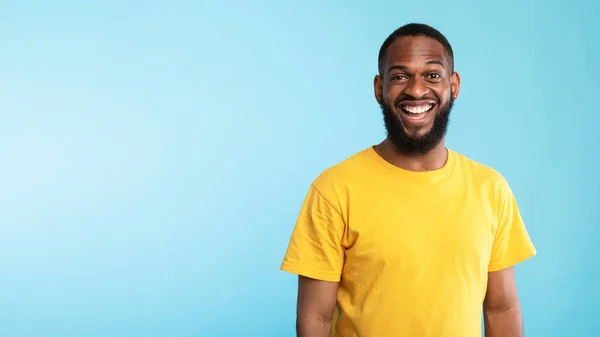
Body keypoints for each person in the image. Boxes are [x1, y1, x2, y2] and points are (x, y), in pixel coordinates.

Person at [280, 23, 537, 337]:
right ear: (380, 88)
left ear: (453, 85)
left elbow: (501, 307)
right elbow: (315, 318)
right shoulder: (334, 189)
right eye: (400, 76)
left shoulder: (490, 189)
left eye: (432, 75)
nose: (416, 90)